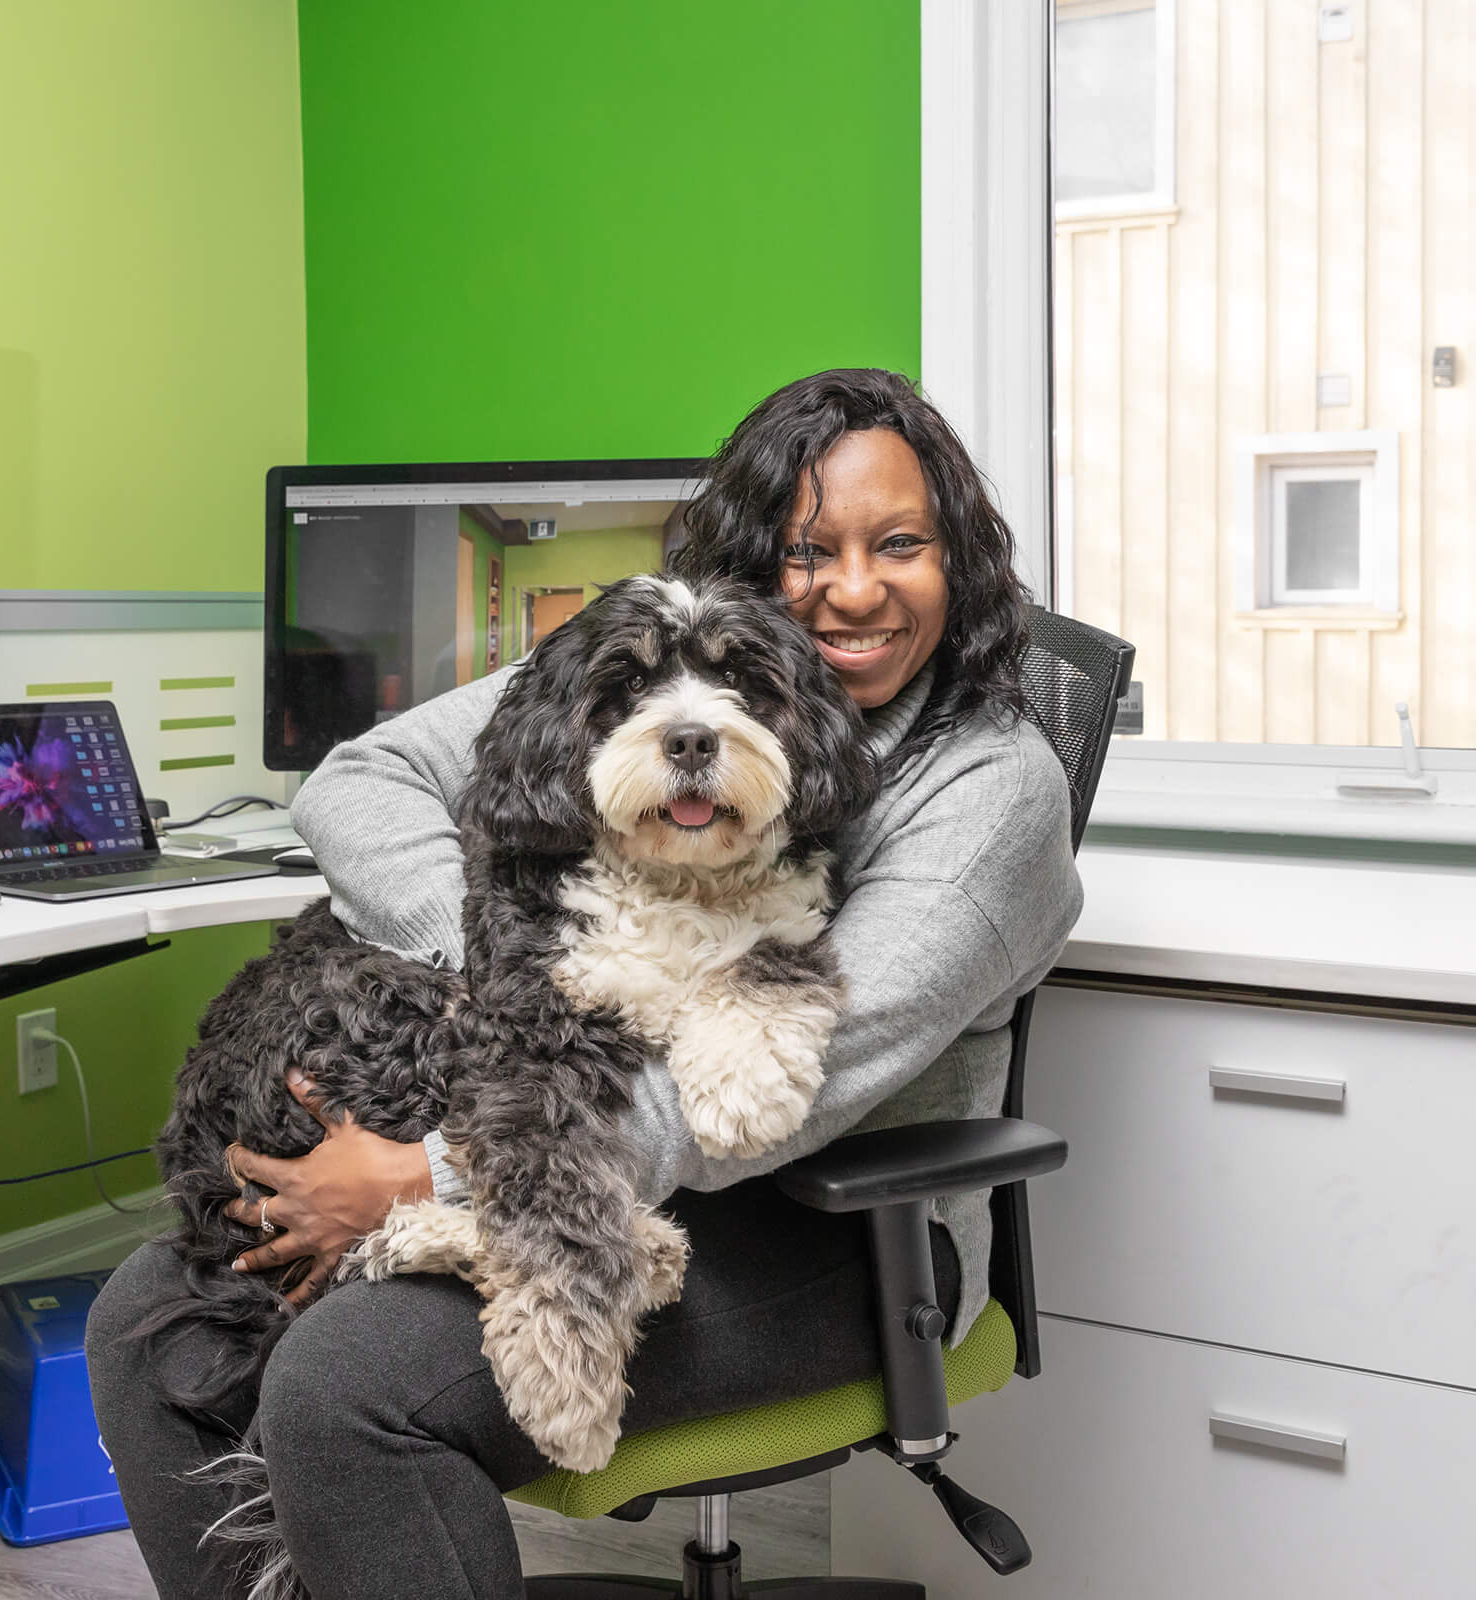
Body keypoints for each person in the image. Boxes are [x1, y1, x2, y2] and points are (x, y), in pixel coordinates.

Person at [87, 369, 1082, 1600]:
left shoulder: (990, 796)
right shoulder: (661, 668)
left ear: (958, 559)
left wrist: (423, 1177)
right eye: (806, 551)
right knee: (152, 1321)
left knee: (351, 1380)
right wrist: (531, 958)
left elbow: (768, 1094)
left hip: (833, 1228)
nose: (856, 588)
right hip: (561, 1131)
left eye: (900, 545)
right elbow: (357, 780)